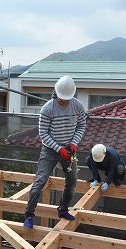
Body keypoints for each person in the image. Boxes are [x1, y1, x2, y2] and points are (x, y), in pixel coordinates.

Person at [24, 75, 86, 229]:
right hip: (50, 149)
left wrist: (73, 143)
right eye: (61, 98)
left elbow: (81, 126)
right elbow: (43, 134)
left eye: (67, 99)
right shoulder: (48, 108)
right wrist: (59, 149)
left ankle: (63, 210)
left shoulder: (77, 106)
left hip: (69, 149)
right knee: (40, 181)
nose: (64, 101)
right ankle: (29, 215)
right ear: (56, 93)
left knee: (72, 182)